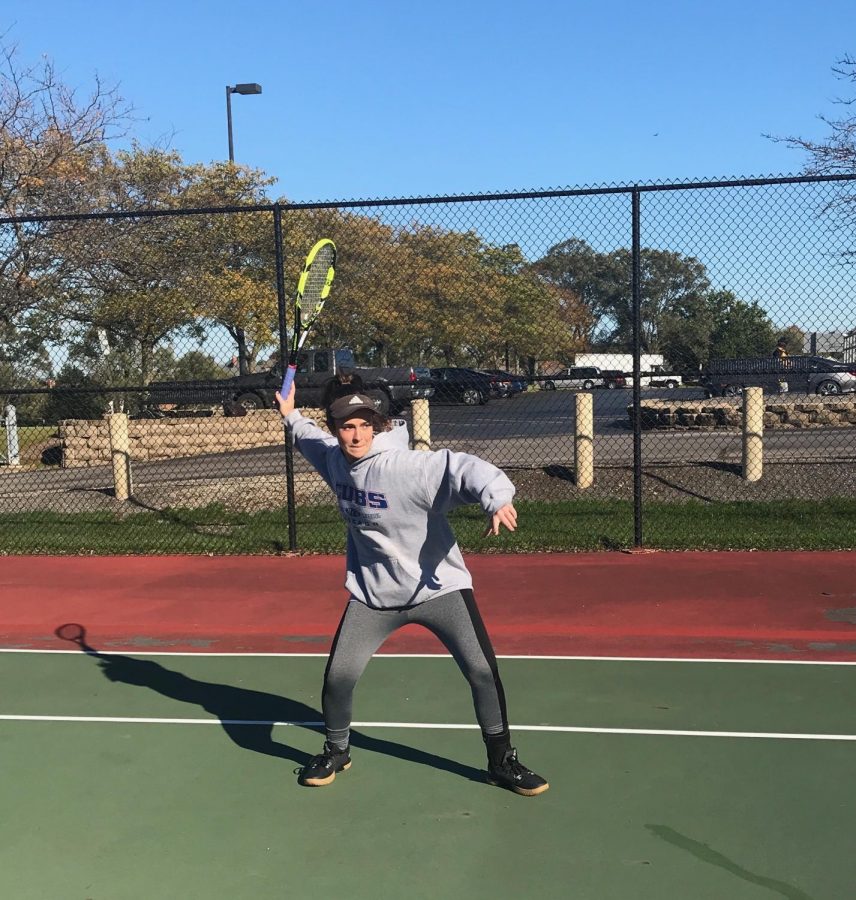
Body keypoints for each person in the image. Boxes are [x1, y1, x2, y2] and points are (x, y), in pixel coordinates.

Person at [274, 382, 549, 796]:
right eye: (346, 426)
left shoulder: (407, 468)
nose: (355, 435)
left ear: (378, 426)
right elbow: (307, 438)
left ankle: (501, 761)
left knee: (481, 672)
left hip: (438, 589)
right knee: (338, 678)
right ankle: (337, 750)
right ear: (336, 429)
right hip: (374, 595)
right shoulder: (333, 459)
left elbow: (464, 467)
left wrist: (496, 497)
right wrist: (290, 414)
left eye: (364, 426)